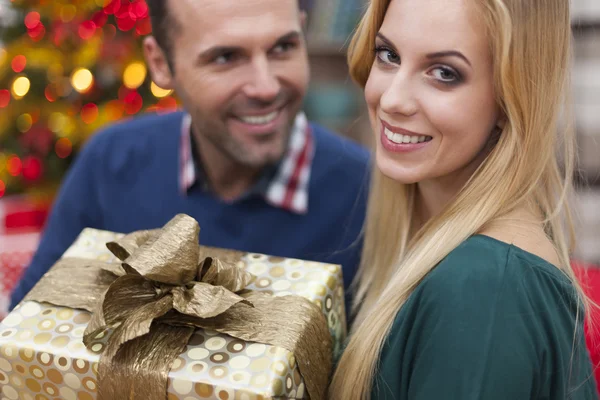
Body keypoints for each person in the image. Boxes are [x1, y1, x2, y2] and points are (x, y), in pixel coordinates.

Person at [10, 0, 369, 310]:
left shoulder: (371, 193)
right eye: (226, 57)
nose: (265, 87)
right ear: (161, 63)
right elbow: (27, 327)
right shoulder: (111, 162)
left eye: (283, 47)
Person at [330, 0, 598, 399]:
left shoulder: (484, 290)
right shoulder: (468, 248)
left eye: (444, 73)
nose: (392, 100)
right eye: (388, 55)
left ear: (512, 97)